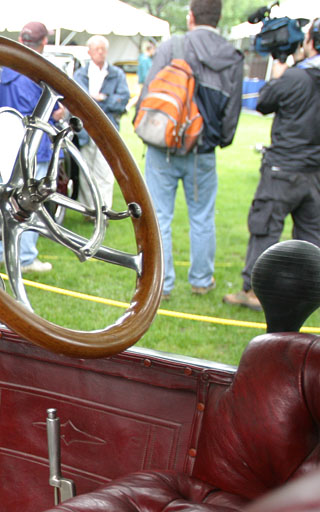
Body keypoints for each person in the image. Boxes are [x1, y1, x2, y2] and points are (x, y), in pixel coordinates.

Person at [136, 0, 243, 298]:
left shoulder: (174, 46)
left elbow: (150, 92)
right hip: (202, 151)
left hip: (163, 147)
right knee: (202, 216)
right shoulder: (232, 56)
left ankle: (163, 284)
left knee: (159, 217)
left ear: (191, 16)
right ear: (219, 17)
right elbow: (232, 111)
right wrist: (218, 140)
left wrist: (144, 128)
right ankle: (200, 280)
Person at [223, 18, 320, 312]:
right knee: (312, 238)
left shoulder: (294, 77)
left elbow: (263, 102)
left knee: (265, 229)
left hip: (282, 170)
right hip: (314, 173)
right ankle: (310, 293)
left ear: (310, 42)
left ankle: (253, 291)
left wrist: (280, 73)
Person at [0, 21, 61, 274]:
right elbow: (38, 117)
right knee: (31, 204)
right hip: (32, 148)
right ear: (43, 43)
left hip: (7, 146)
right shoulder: (33, 73)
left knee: (2, 202)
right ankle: (25, 257)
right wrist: (58, 115)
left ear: (20, 38)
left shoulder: (9, 68)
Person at [73, 35, 129, 213]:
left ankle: (104, 210)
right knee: (86, 171)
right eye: (97, 49)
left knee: (105, 171)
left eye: (103, 49)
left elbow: (122, 100)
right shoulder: (80, 74)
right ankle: (90, 210)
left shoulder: (116, 74)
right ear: (89, 52)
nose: (100, 53)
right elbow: (78, 100)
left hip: (108, 129)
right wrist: (100, 100)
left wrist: (97, 101)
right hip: (86, 129)